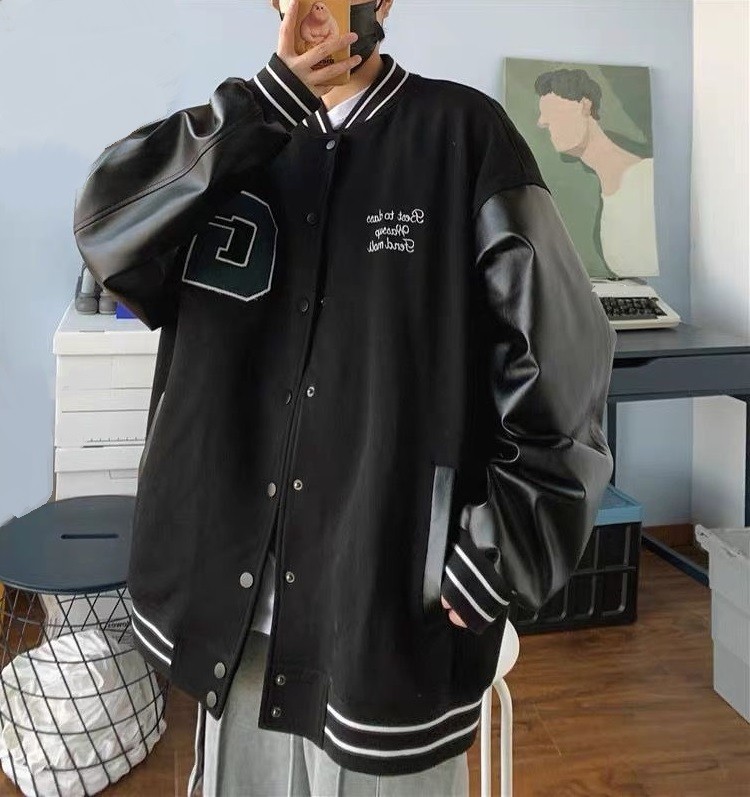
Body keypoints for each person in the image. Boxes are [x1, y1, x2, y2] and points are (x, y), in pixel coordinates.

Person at [72, 1, 617, 795]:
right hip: (235, 618)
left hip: (385, 612)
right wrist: (261, 109)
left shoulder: (464, 138)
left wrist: (505, 541)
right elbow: (104, 232)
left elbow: (564, 357)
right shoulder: (228, 144)